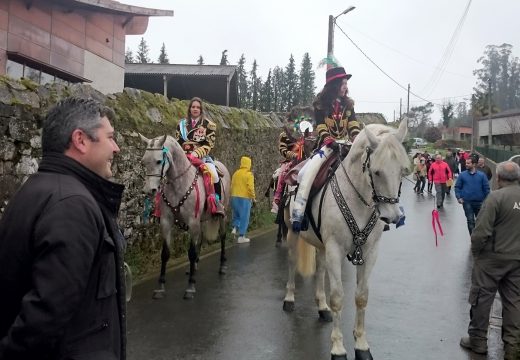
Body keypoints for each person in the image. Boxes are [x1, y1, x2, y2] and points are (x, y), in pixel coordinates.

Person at [0, 98, 126, 359]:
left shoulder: (36, 188)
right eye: (110, 138)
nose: (116, 148)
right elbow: (45, 317)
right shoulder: (73, 206)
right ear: (80, 140)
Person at [459, 161, 520, 360]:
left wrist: (477, 255)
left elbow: (480, 232)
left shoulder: (495, 198)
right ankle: (513, 347)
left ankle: (478, 341)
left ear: (499, 178)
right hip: (517, 259)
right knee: (513, 302)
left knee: (482, 299)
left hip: (492, 258)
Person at [291, 66, 361, 231]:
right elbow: (321, 125)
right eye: (343, 83)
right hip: (327, 146)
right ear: (334, 85)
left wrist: (357, 138)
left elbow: (353, 125)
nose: (346, 87)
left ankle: (380, 213)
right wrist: (329, 139)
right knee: (304, 174)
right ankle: (299, 214)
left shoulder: (349, 105)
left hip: (347, 146)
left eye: (346, 83)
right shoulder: (320, 105)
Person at [175, 97, 225, 216]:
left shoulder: (209, 125)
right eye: (193, 107)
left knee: (214, 174)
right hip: (183, 157)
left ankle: (217, 203)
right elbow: (178, 142)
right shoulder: (181, 124)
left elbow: (209, 144)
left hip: (201, 158)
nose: (195, 109)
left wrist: (196, 153)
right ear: (190, 109)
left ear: (201, 109)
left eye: (198, 107)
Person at [271, 116, 312, 214]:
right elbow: (282, 149)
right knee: (282, 172)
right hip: (290, 161)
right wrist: (293, 155)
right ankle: (277, 197)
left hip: (306, 160)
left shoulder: (306, 135)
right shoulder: (284, 135)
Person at [455, 157, 490, 235]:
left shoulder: (482, 175)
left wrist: (487, 200)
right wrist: (459, 197)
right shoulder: (462, 175)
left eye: (468, 163)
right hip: (467, 202)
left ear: (474, 164)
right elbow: (457, 187)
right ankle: (473, 238)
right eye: (466, 163)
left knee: (480, 221)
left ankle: (479, 237)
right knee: (470, 221)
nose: (466, 165)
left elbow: (486, 189)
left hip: (480, 202)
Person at [231, 156, 256, 244]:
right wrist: (253, 197)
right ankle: (241, 236)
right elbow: (250, 188)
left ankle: (235, 228)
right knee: (244, 217)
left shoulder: (235, 173)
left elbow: (232, 184)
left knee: (236, 214)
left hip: (234, 196)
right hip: (244, 198)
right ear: (249, 164)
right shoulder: (249, 174)